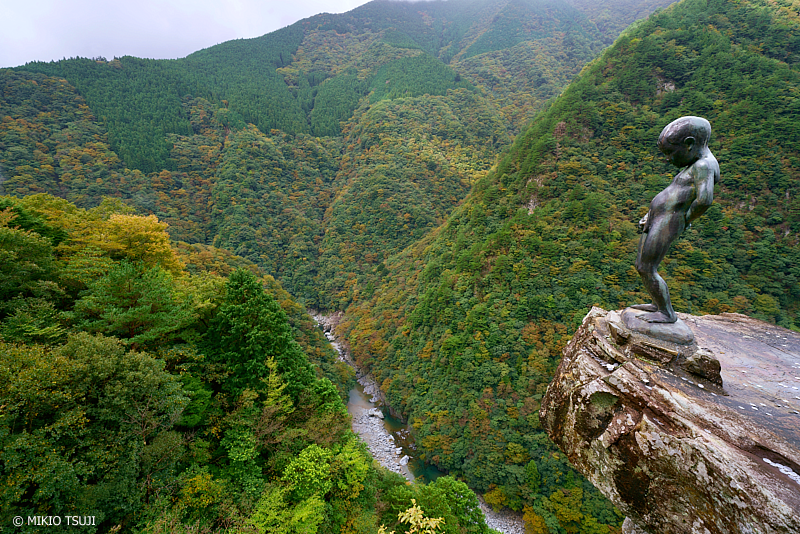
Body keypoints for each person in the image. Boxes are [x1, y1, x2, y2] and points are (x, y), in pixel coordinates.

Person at [631, 116, 719, 323]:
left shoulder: (704, 166)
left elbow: (705, 200)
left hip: (669, 220)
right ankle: (657, 303)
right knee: (641, 265)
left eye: (671, 152)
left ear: (689, 144)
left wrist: (686, 219)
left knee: (646, 267)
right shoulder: (696, 163)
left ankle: (666, 313)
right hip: (660, 217)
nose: (669, 159)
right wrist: (650, 214)